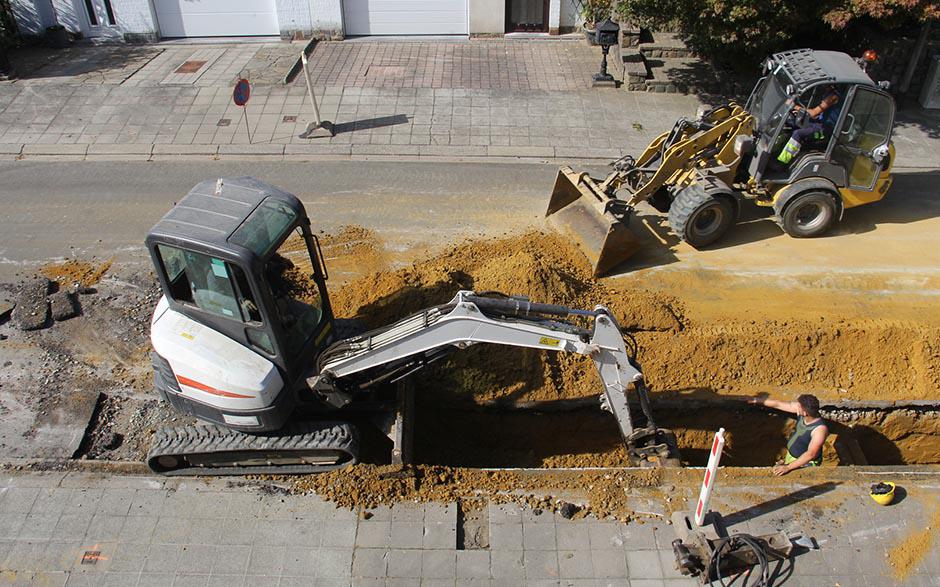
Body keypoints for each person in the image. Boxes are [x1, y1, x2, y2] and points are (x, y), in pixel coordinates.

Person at [749, 393, 829, 476]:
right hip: (792, 456)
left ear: (805, 413)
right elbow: (778, 404)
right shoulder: (805, 414)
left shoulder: (819, 430)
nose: (796, 406)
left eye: (798, 406)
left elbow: (811, 454)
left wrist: (788, 467)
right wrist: (757, 400)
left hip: (805, 463)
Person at [777, 86, 843, 165]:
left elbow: (813, 113)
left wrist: (794, 106)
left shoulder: (833, 96)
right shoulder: (828, 93)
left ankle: (782, 162)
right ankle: (776, 150)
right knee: (792, 123)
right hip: (819, 123)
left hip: (826, 131)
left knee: (798, 133)